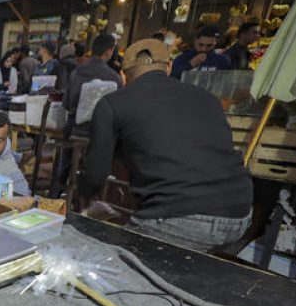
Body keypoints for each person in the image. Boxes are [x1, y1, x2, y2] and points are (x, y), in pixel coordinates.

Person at [79, 39, 252, 251]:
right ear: (168, 67)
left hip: (178, 218)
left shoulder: (113, 103)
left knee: (107, 268)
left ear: (124, 75)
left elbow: (95, 174)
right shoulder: (208, 98)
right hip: (241, 213)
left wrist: (85, 203)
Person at [65, 33, 123, 132]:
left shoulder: (76, 73)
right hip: (101, 134)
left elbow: (66, 104)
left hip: (73, 130)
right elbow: (118, 111)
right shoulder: (114, 78)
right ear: (109, 52)